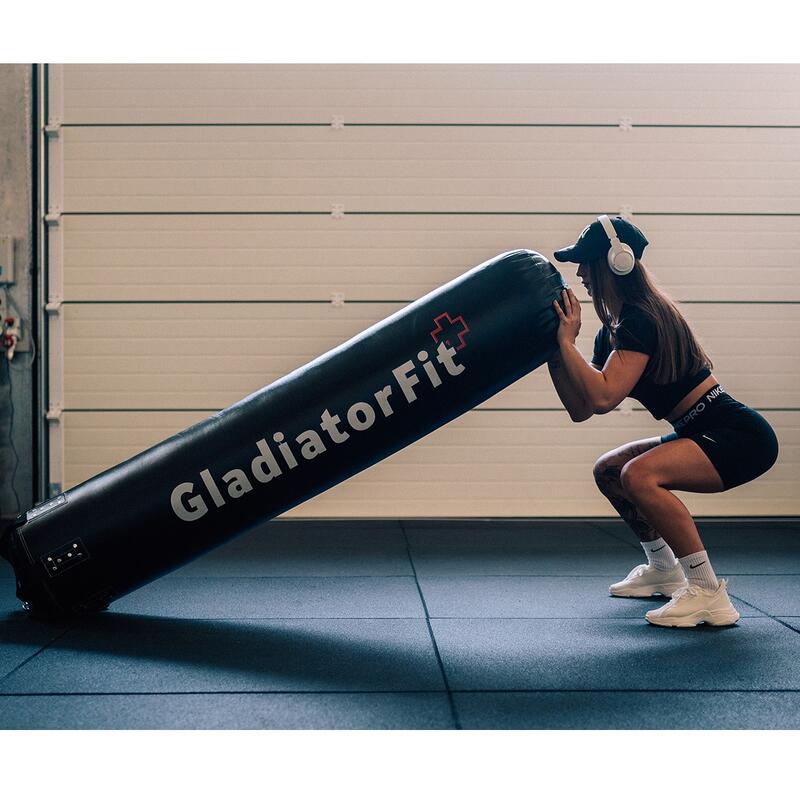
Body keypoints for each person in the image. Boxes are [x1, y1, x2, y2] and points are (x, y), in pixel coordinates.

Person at [546, 215, 779, 628]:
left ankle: (707, 593)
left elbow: (602, 395)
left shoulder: (641, 318)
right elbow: (583, 408)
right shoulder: (612, 331)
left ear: (617, 262)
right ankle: (664, 569)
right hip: (700, 428)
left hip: (737, 434)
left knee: (638, 475)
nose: (580, 273)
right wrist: (554, 351)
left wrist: (567, 343)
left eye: (586, 263)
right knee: (611, 471)